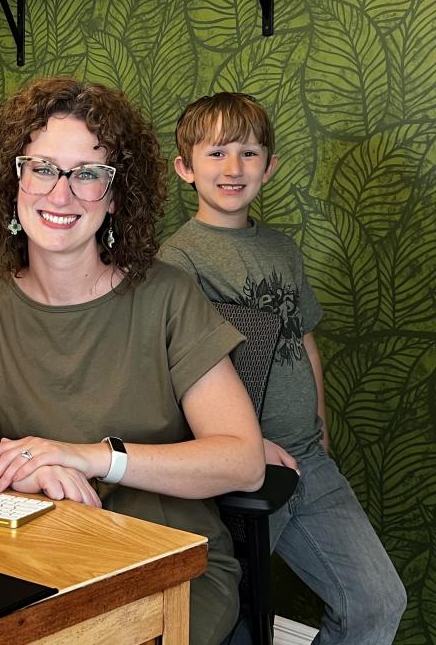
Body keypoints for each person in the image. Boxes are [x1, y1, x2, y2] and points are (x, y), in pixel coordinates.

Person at [0, 77, 265, 644]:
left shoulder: (168, 296)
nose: (60, 195)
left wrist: (90, 459)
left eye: (88, 174)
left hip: (166, 568)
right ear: (13, 181)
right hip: (36, 555)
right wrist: (26, 466)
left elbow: (241, 461)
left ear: (115, 196)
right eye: (42, 168)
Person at [159, 92, 406, 643]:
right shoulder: (176, 262)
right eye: (217, 152)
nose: (233, 167)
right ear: (185, 168)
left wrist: (319, 412)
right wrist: (246, 448)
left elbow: (304, 335)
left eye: (249, 153)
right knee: (230, 621)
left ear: (269, 166)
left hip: (311, 461)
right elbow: (173, 376)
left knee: (378, 601)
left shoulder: (282, 248)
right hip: (242, 475)